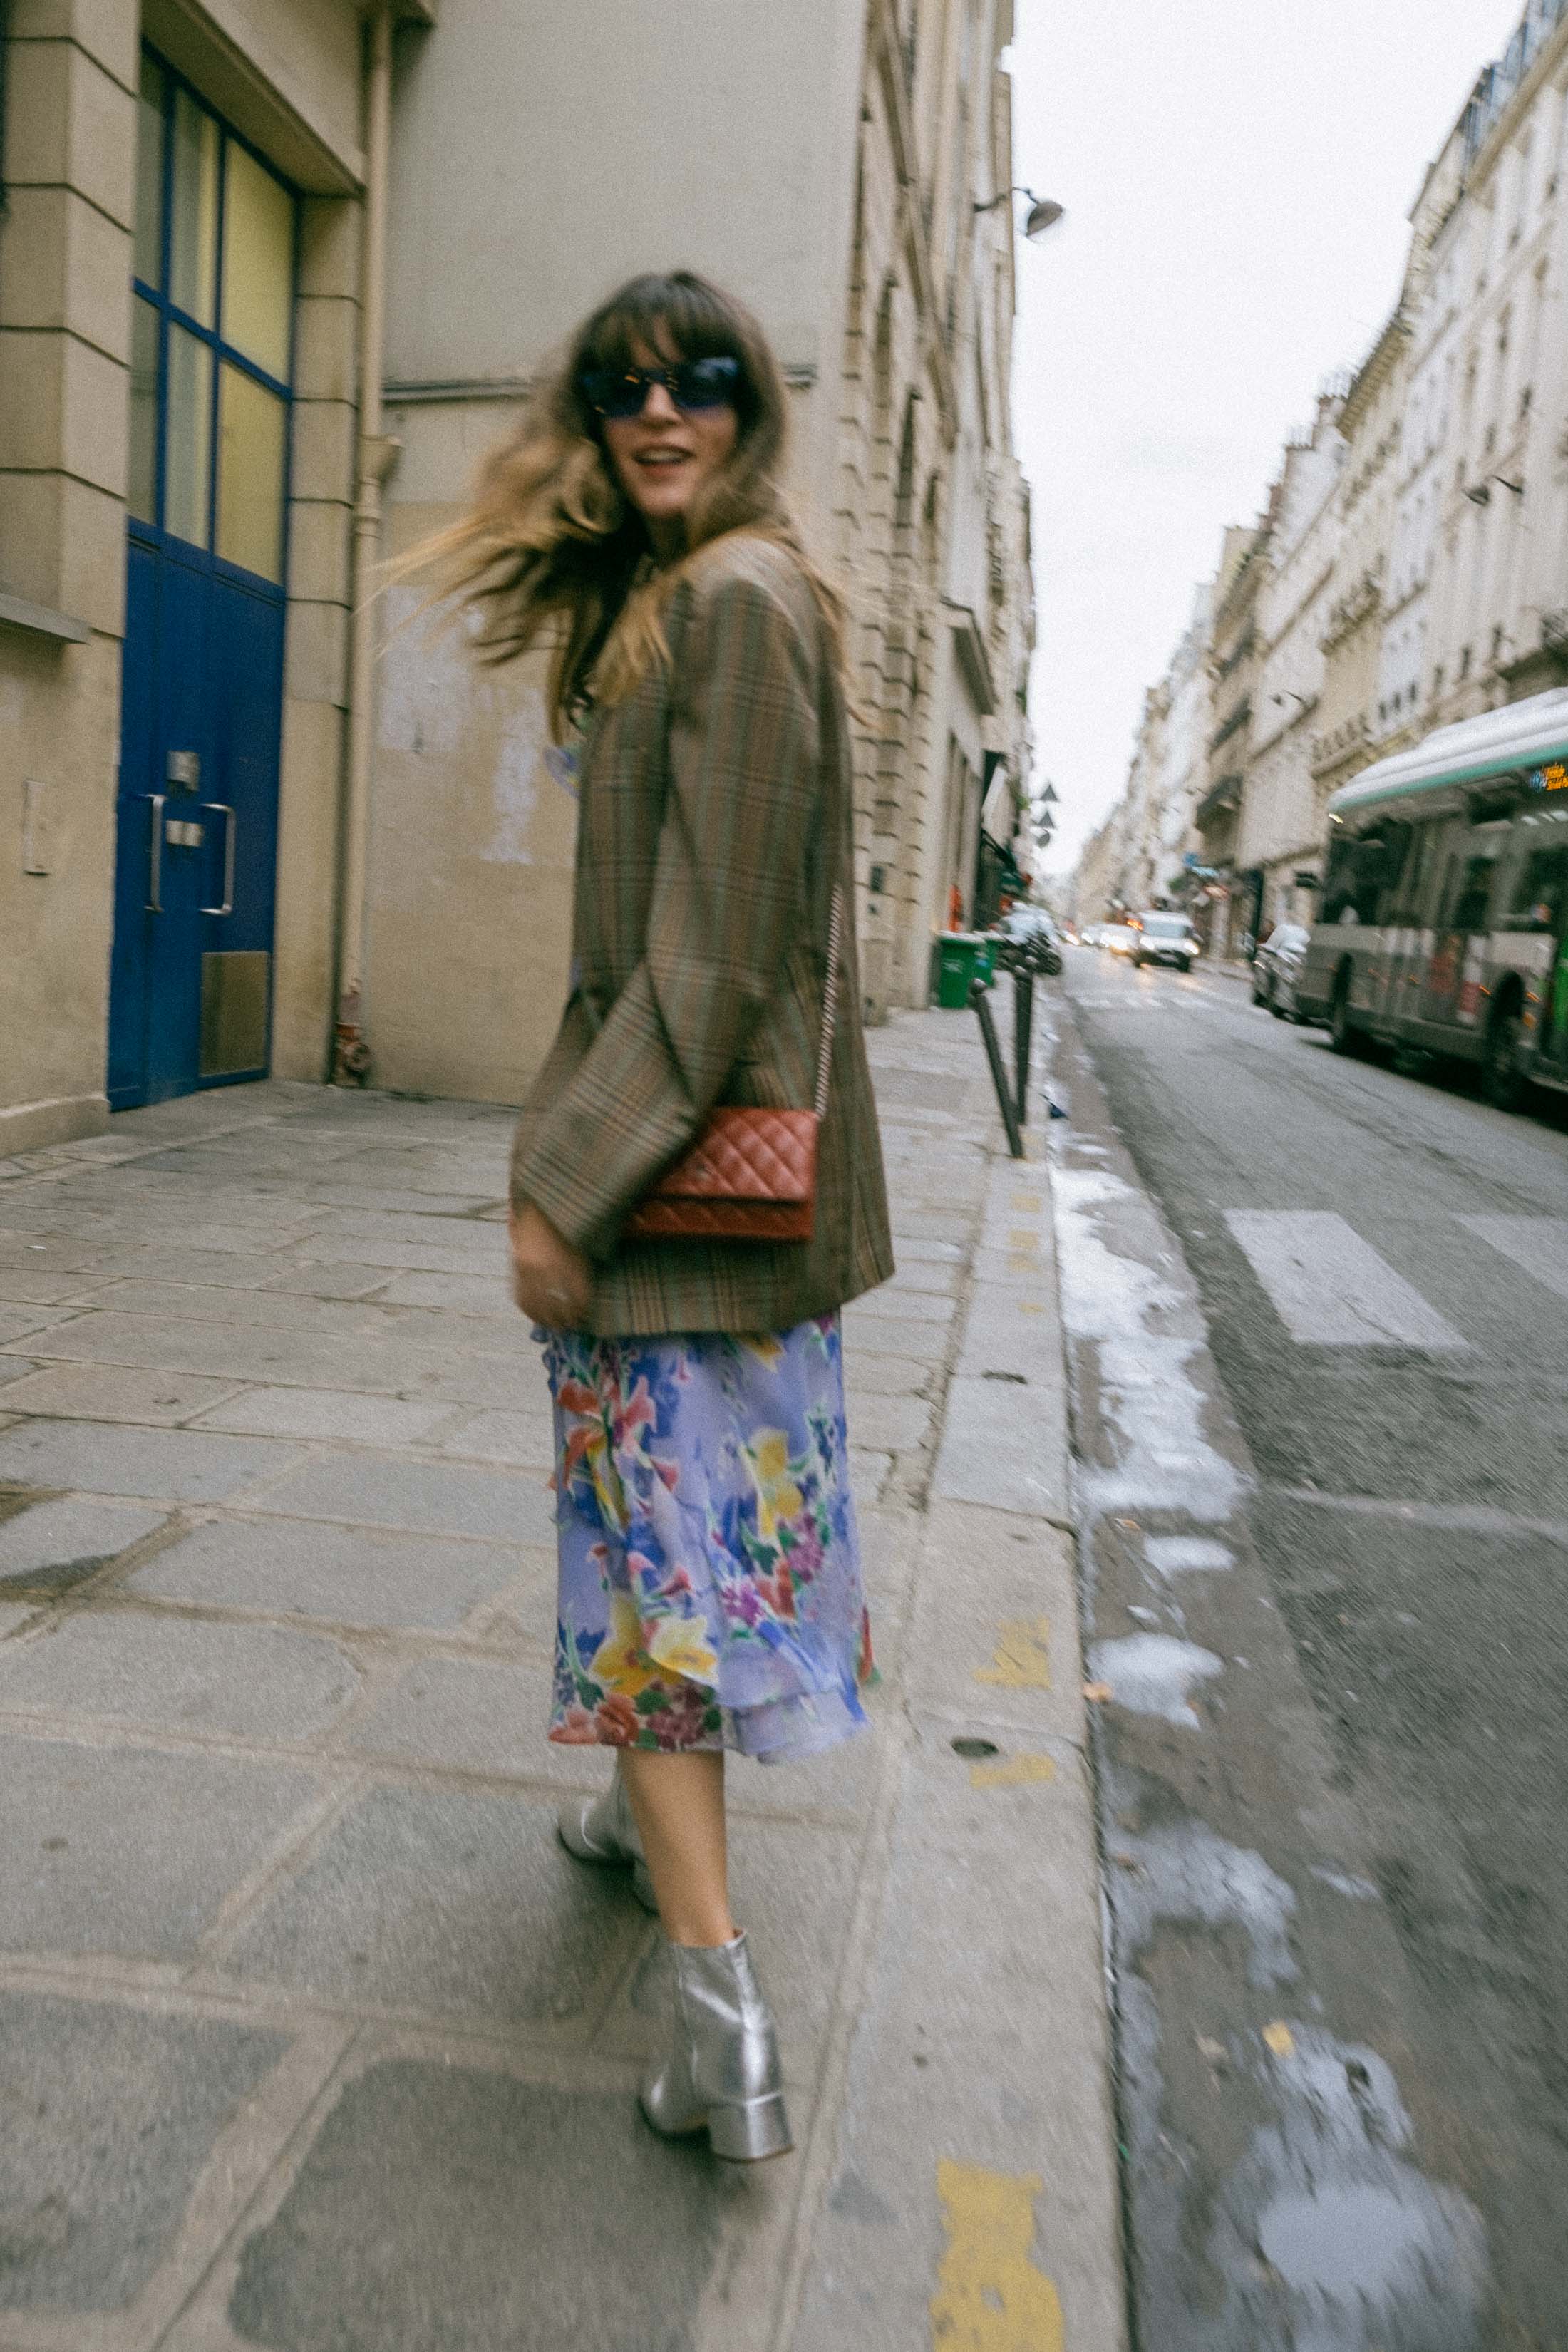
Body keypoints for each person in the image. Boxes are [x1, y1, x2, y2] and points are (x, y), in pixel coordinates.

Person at [413, 271, 893, 2163]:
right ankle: (641, 1818)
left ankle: (724, 2022)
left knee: (659, 1604)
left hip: (684, 1206)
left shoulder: (744, 605)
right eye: (627, 388)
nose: (661, 411)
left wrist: (563, 1186)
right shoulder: (681, 603)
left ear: (752, 406)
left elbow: (707, 963)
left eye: (702, 382)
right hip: (715, 1204)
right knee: (670, 1569)